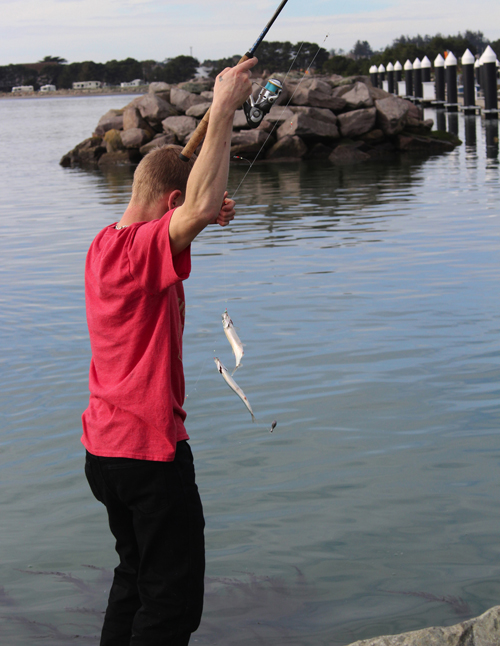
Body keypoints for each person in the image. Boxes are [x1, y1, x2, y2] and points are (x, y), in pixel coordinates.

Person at [82, 56, 258, 646]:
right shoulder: (140, 254)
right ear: (172, 201)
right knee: (173, 603)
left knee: (134, 580)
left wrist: (200, 216)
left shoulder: (105, 246)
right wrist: (226, 104)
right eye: (182, 210)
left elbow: (195, 209)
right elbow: (199, 206)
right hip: (148, 455)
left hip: (104, 454)